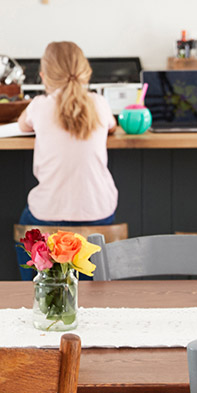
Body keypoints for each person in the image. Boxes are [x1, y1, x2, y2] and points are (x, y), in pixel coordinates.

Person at [15, 41, 118, 279]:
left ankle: (40, 290)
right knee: (89, 265)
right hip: (99, 213)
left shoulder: (39, 106)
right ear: (86, 72)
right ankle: (92, 290)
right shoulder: (100, 104)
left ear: (43, 76)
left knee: (26, 229)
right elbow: (112, 126)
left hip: (47, 214)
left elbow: (22, 125)